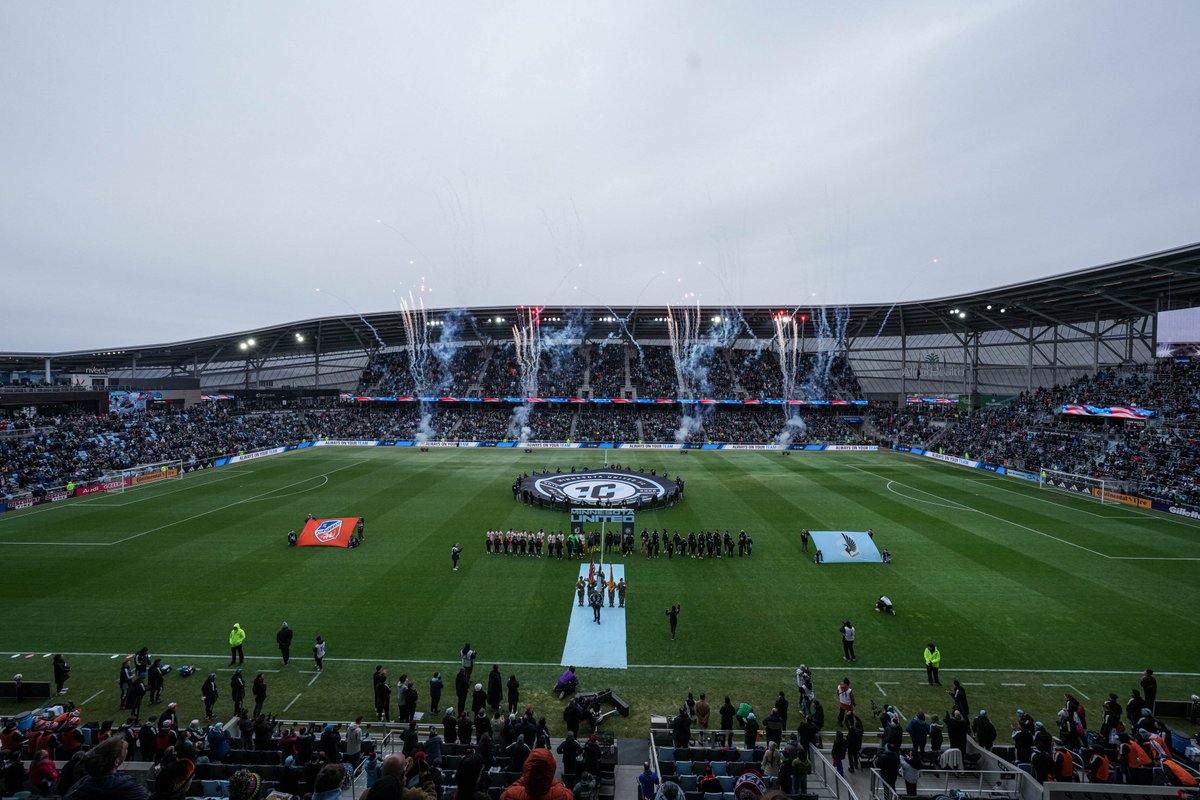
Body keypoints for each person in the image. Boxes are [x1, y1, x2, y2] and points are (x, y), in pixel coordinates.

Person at [63, 735, 150, 800]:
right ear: (116, 761)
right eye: (125, 749)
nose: (127, 751)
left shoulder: (81, 784)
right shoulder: (128, 787)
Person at [498, 748, 572, 800]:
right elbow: (562, 788)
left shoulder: (508, 796)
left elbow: (513, 787)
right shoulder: (564, 795)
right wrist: (548, 779)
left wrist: (527, 776)